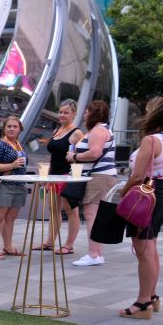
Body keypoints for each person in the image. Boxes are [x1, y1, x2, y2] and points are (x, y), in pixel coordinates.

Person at [118, 96, 163, 319]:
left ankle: (143, 303)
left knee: (144, 250)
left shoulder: (151, 140)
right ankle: (152, 297)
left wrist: (122, 192)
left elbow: (137, 176)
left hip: (146, 197)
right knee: (151, 248)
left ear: (154, 114)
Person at [66, 100, 117, 267]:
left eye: (87, 111)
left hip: (98, 176)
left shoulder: (98, 130)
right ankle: (97, 253)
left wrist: (74, 157)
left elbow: (95, 153)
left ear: (93, 113)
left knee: (91, 215)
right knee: (95, 216)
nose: (85, 114)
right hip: (101, 176)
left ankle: (93, 254)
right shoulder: (103, 129)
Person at [33, 99, 84, 254]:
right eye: (60, 112)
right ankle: (49, 242)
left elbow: (81, 156)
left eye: (66, 113)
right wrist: (46, 174)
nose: (62, 115)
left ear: (74, 114)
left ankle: (69, 245)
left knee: (71, 210)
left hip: (67, 176)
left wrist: (76, 176)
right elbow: (54, 154)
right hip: (53, 175)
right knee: (53, 209)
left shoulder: (77, 133)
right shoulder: (57, 130)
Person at [0, 115, 28, 259]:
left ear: (19, 129)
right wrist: (12, 165)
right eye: (9, 126)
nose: (11, 129)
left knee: (11, 218)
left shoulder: (18, 144)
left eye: (14, 126)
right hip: (3, 186)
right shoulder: (0, 144)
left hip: (18, 185)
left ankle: (8, 247)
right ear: (4, 129)